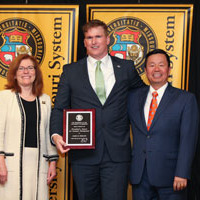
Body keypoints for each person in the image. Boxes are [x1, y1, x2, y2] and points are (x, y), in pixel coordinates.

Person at [50, 19, 145, 200]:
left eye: (98, 36)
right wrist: (56, 135)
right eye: (89, 37)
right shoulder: (70, 71)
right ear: (84, 42)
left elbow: (143, 97)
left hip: (117, 153)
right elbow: (59, 108)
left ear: (108, 39)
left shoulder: (126, 68)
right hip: (83, 154)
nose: (94, 41)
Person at [128, 49, 199, 200]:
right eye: (152, 65)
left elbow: (188, 139)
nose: (156, 69)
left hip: (172, 177)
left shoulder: (185, 99)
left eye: (161, 65)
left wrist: (182, 172)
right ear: (145, 70)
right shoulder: (133, 98)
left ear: (169, 68)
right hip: (140, 177)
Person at [0, 54, 58, 200]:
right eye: (21, 68)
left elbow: (49, 133)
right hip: (10, 164)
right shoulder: (4, 97)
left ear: (36, 73)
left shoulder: (45, 100)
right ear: (14, 74)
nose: (26, 72)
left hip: (39, 164)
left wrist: (52, 162)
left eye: (29, 68)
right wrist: (0, 163)